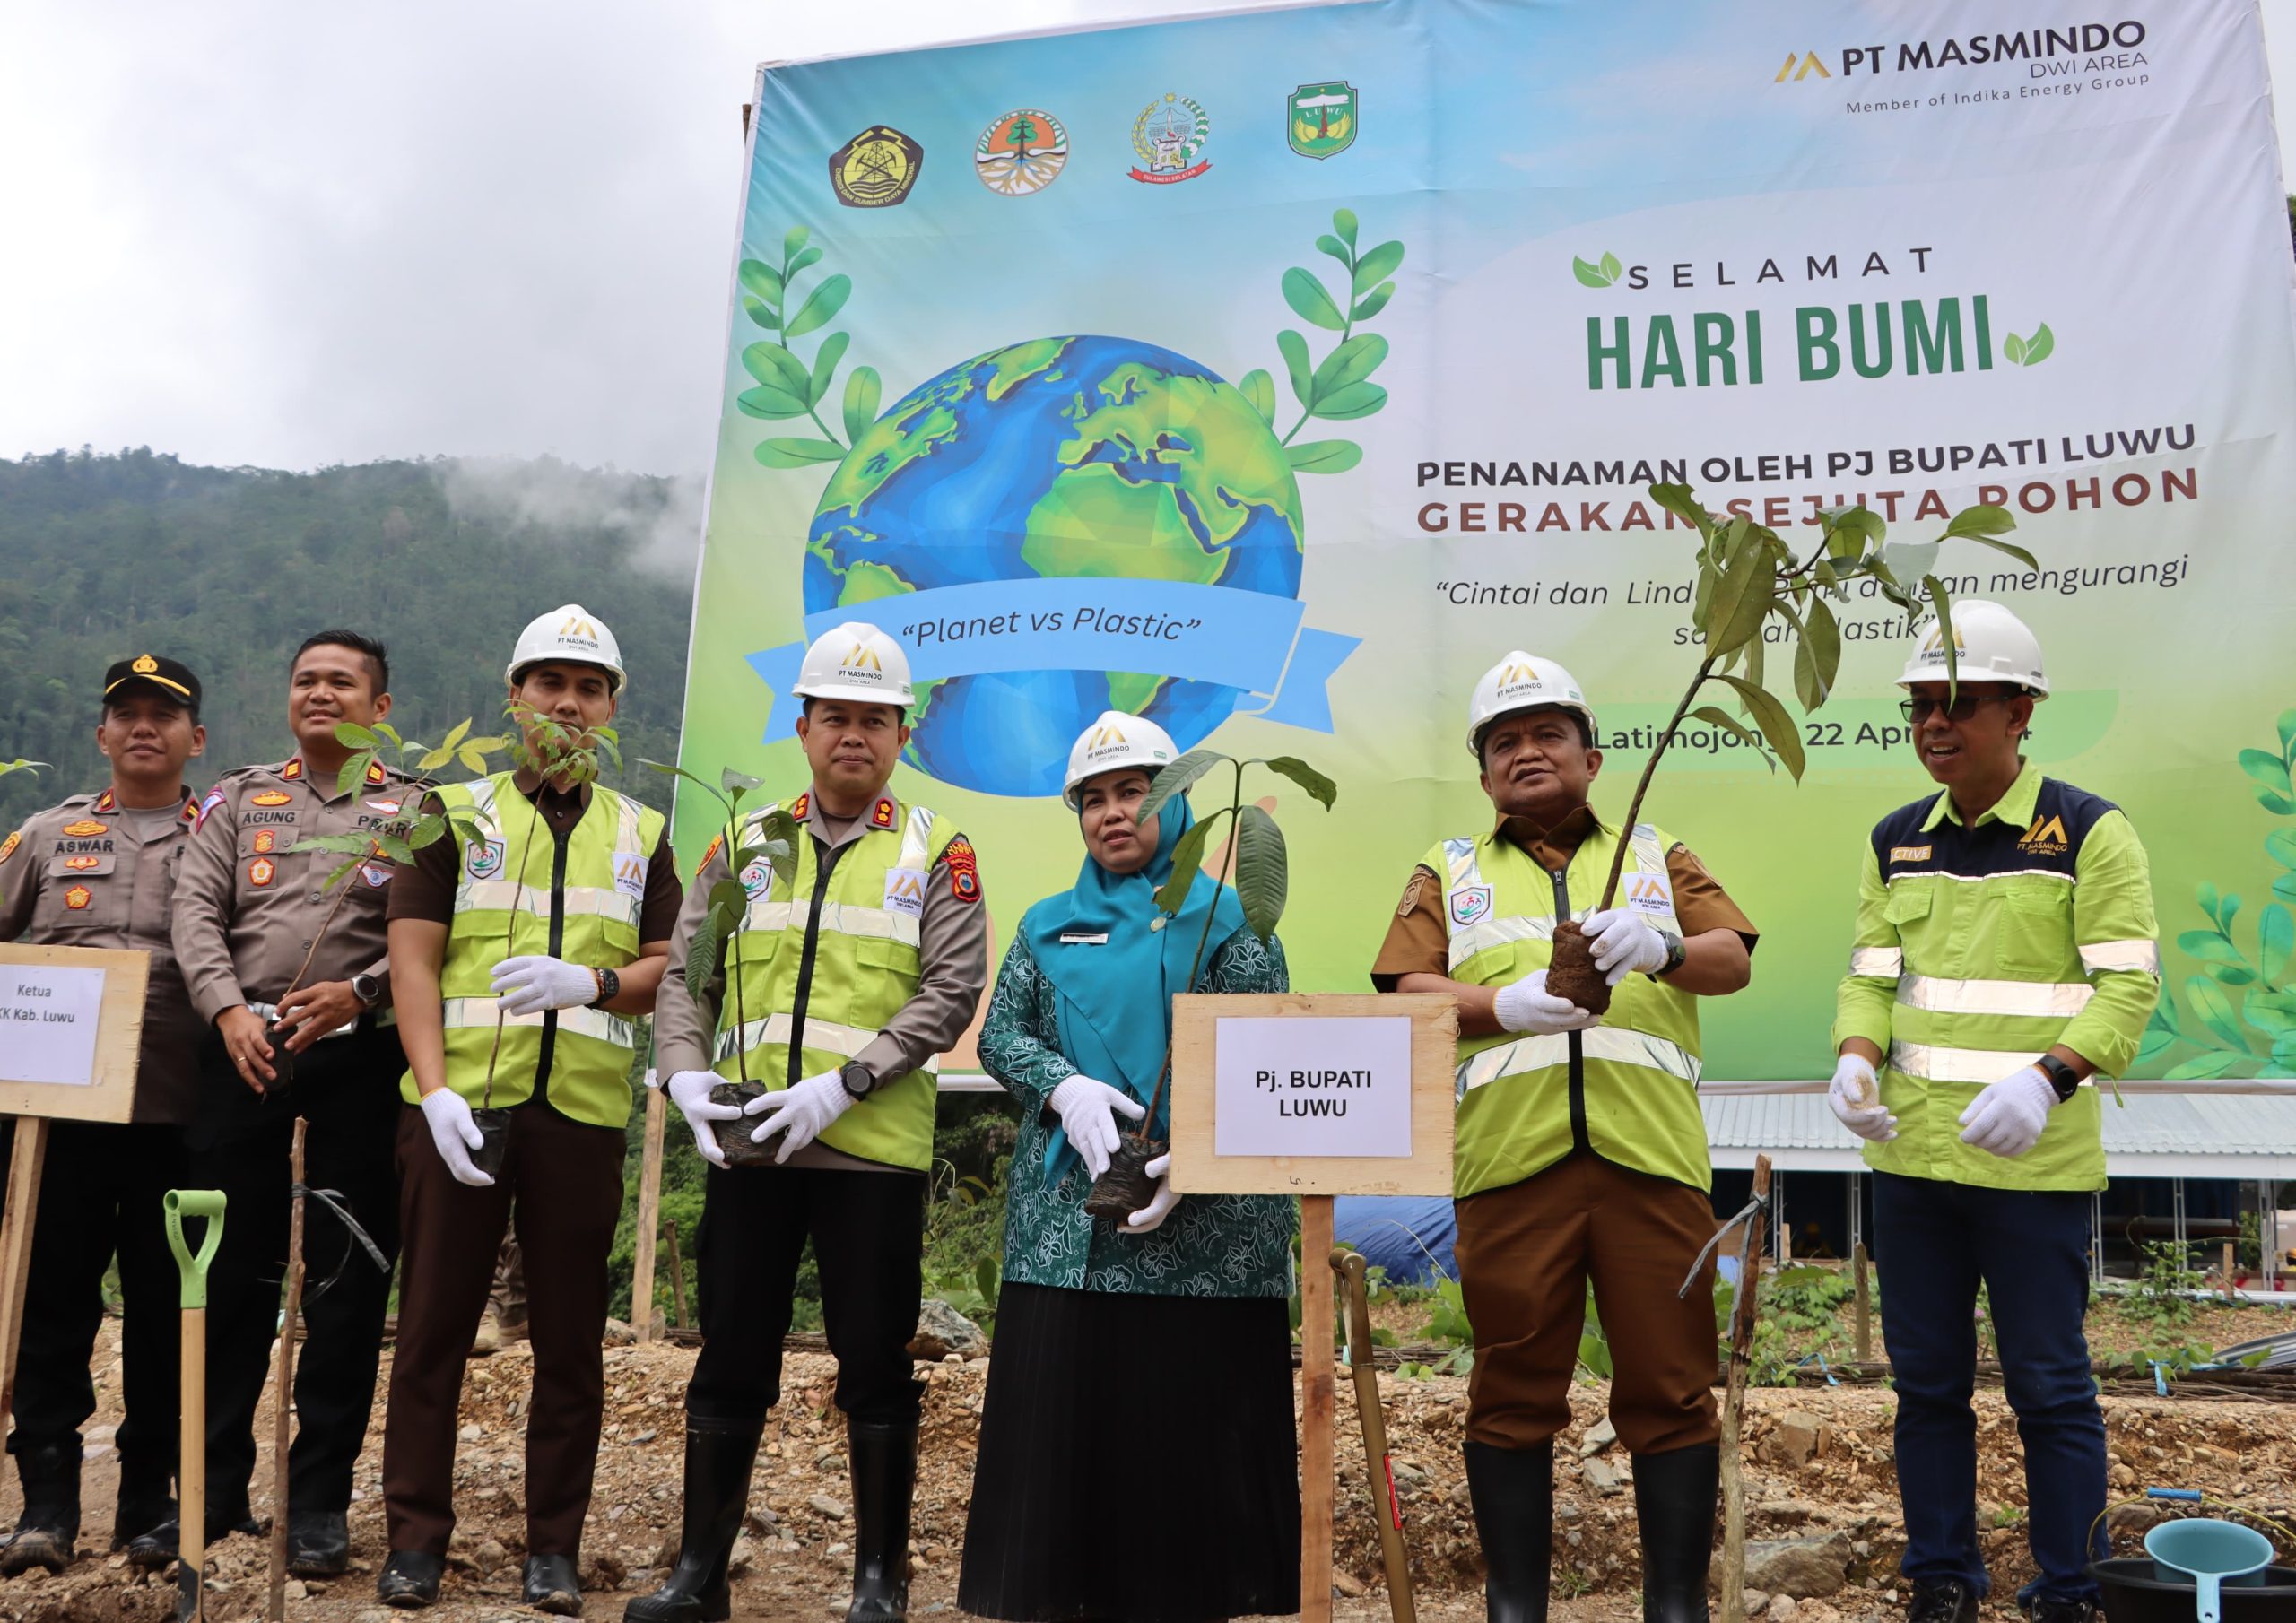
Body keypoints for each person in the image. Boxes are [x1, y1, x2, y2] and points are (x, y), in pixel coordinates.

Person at [1371, 654, 1758, 1623]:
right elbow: (1407, 992)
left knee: (1672, 1387)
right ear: (1484, 775)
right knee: (1510, 1388)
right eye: (1505, 741)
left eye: (1548, 733)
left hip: (1649, 1163)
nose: (1527, 751)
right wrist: (1500, 1004)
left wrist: (1664, 946)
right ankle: (1516, 1608)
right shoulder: (1447, 869)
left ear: (1592, 758)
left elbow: (1731, 960)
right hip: (1510, 1167)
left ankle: (1675, 1606)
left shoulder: (1656, 853)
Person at [641, 622, 988, 1623]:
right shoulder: (746, 842)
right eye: (835, 715)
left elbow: (950, 991)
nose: (854, 735)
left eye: (875, 719)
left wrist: (846, 1085)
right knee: (730, 1357)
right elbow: (686, 979)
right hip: (750, 1145)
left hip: (868, 1154)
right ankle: (699, 1576)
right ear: (802, 727)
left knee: (874, 1364)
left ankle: (880, 1582)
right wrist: (683, 1077)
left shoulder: (937, 850)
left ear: (902, 735)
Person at [1827, 603, 2159, 1623]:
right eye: (1921, 705)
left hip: (2033, 1166)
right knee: (1925, 1388)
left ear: (2020, 712)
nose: (1934, 723)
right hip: (1913, 1165)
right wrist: (1854, 1061)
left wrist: (2047, 1078)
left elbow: (2128, 986)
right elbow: (1871, 976)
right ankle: (1941, 1580)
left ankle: (2070, 1590)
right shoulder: (1895, 840)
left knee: (2050, 1389)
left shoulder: (2089, 831)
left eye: (1959, 703)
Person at [958, 713, 1300, 1623]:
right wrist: (1061, 1084)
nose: (1113, 813)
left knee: (1185, 1446)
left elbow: (1260, 1053)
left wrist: (1198, 1150)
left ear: (1175, 802)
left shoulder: (1232, 921)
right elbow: (1000, 1036)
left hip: (1208, 1235)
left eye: (1134, 793)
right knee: (1066, 1434)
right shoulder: (1045, 926)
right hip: (1068, 1225)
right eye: (1094, 799)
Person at [378, 605, 679, 1613]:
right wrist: (433, 1090)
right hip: (459, 1108)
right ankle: (415, 1540)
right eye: (549, 683)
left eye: (589, 688)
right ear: (515, 698)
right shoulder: (446, 812)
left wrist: (593, 982)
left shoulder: (641, 831)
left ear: (611, 709)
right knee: (431, 1330)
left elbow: (668, 966)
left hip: (578, 1119)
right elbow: (412, 964)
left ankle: (553, 1549)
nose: (568, 704)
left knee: (570, 1344)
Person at [170, 629, 415, 1575]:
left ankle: (317, 1507)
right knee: (230, 1279)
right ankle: (214, 1492)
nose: (320, 693)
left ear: (378, 708)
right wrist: (228, 1009)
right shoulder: (236, 800)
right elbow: (195, 912)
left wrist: (363, 992)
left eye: (341, 682)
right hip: (243, 1060)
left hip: (361, 1066)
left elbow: (437, 936)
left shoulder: (417, 810)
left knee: (345, 1290)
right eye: (306, 679)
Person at [0, 655, 206, 1573]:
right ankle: (45, 1502)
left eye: (163, 714)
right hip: (57, 1122)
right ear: (102, 734)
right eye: (126, 713)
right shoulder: (49, 835)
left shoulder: (223, 835)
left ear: (196, 737)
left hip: (182, 1113)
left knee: (166, 1309)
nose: (143, 727)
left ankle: (147, 1503)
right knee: (51, 1305)